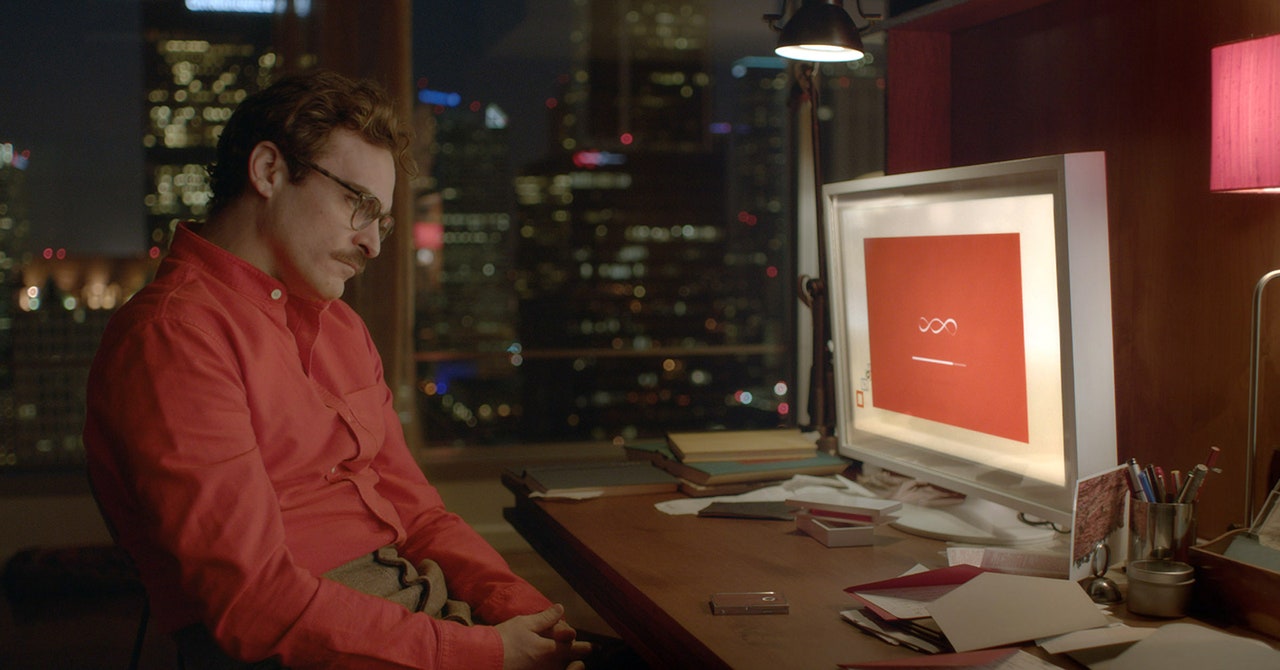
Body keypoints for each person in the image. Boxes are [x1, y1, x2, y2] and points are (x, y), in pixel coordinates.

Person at [84, 69, 593, 670]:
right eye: (359, 204)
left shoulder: (342, 328)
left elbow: (421, 516)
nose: (373, 244)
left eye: (384, 220)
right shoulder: (174, 336)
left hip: (418, 610)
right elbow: (253, 603)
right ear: (268, 171)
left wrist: (530, 618)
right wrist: (486, 653)